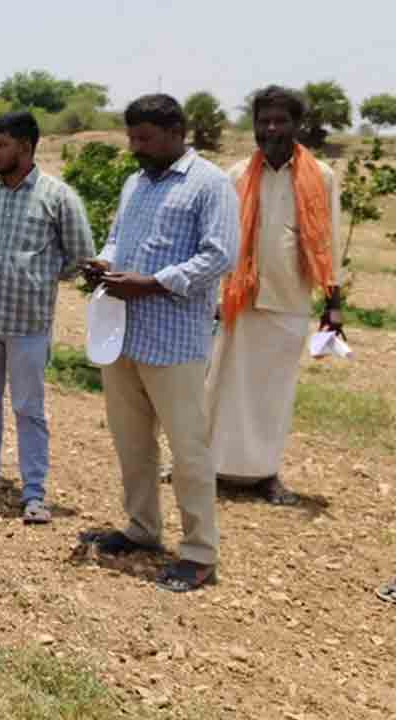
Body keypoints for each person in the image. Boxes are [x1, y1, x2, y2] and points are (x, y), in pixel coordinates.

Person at [80, 94, 238, 593]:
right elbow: (116, 238)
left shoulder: (209, 185)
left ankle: (199, 553)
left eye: (144, 138)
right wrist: (104, 265)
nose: (135, 147)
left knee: (188, 450)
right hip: (123, 333)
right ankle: (143, 528)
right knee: (132, 442)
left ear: (176, 132)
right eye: (131, 137)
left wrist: (151, 282)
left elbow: (219, 256)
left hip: (175, 341)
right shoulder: (135, 183)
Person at [0, 111, 95, 524]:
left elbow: (81, 256)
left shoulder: (57, 197)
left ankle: (34, 492)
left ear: (27, 148)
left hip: (28, 323)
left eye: (2, 145)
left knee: (29, 408)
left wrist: (41, 275)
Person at [206, 86, 344, 506]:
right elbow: (220, 240)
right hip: (236, 298)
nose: (270, 128)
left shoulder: (320, 175)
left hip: (289, 297)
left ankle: (265, 473)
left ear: (297, 124)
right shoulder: (235, 176)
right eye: (263, 120)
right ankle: (208, 467)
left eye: (280, 120)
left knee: (275, 391)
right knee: (220, 385)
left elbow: (330, 240)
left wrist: (333, 304)